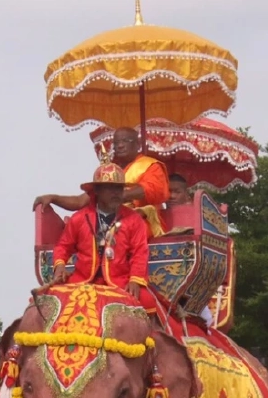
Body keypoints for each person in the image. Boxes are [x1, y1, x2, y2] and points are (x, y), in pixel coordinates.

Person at [34, 127, 170, 236]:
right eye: (116, 143)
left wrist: (119, 197)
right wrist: (53, 198)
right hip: (110, 221)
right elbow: (80, 201)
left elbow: (154, 190)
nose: (120, 146)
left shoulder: (151, 166)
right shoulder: (111, 172)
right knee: (80, 227)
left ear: (138, 144)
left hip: (142, 222)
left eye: (125, 141)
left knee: (117, 231)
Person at [49, 162, 150, 301]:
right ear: (97, 190)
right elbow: (63, 246)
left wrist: (135, 280)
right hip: (82, 280)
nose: (116, 193)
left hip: (120, 282)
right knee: (49, 299)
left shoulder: (134, 220)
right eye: (110, 188)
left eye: (119, 188)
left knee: (147, 300)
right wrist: (60, 266)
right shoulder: (79, 218)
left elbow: (140, 252)